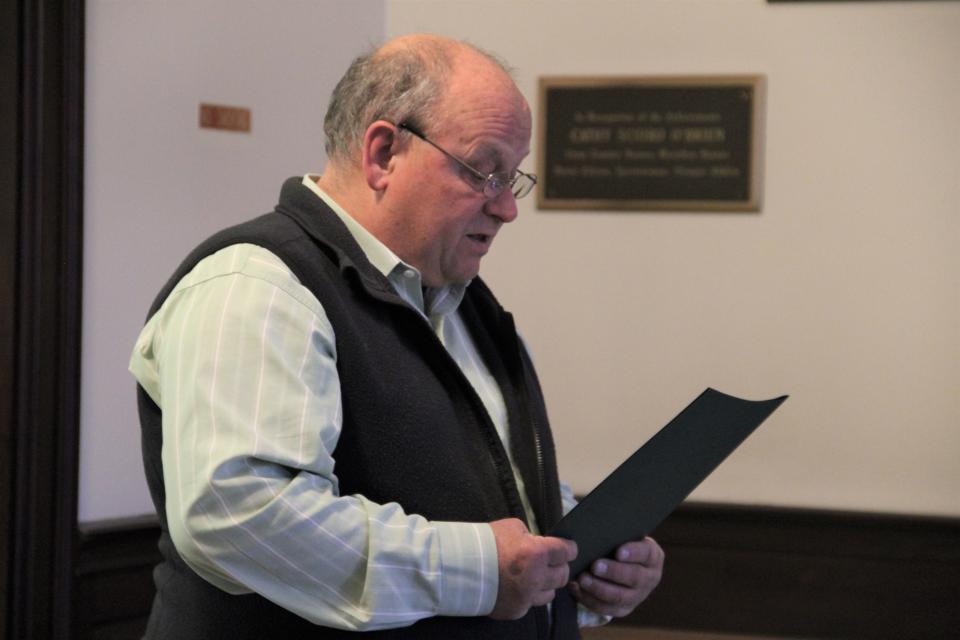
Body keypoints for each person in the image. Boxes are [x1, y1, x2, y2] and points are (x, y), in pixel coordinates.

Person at [130, 34, 663, 639]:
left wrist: (585, 568)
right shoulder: (257, 284)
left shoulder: (465, 308)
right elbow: (239, 512)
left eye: (511, 180)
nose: (506, 209)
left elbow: (494, 494)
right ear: (383, 153)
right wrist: (478, 571)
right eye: (484, 171)